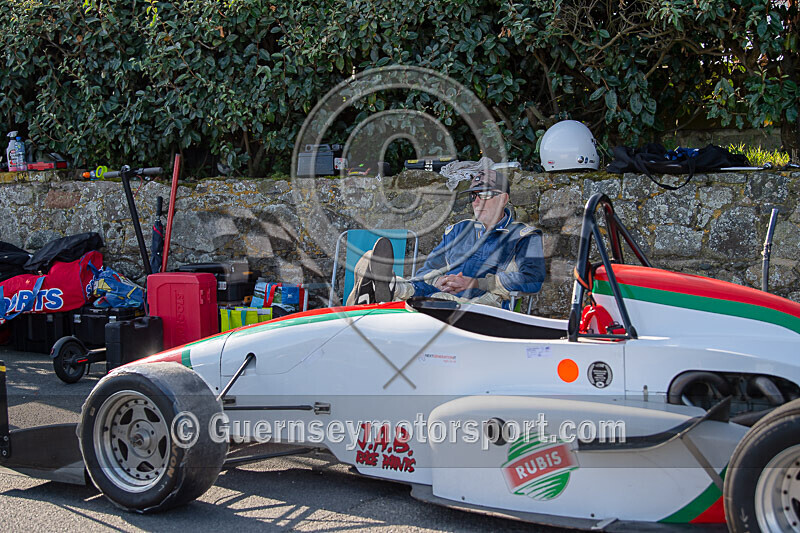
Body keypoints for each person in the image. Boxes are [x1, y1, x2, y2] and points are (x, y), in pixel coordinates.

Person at [347, 167, 545, 309]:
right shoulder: (459, 231)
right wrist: (439, 280)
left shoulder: (524, 236)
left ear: (503, 198)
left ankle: (381, 293)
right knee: (412, 285)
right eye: (473, 196)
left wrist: (474, 283)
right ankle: (386, 287)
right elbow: (429, 271)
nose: (476, 202)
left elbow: (532, 279)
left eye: (483, 194)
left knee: (431, 302)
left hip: (481, 306)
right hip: (439, 296)